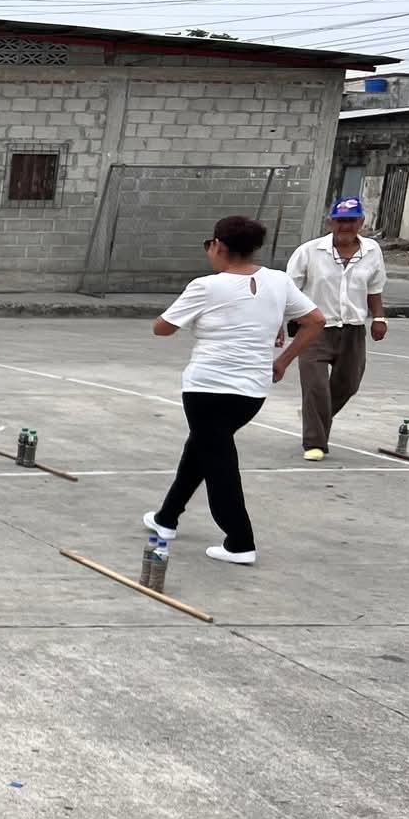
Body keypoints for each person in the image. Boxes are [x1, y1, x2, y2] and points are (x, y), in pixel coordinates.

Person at [143, 216, 326, 567]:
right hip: (251, 392)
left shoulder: (206, 286)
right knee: (200, 450)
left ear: (220, 246)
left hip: (207, 389)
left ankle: (240, 541)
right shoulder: (278, 280)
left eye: (209, 245)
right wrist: (283, 360)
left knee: (219, 463)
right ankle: (167, 518)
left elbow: (162, 328)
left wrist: (196, 317)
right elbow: (315, 320)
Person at [286, 196, 388, 460]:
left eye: (351, 220)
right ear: (330, 222)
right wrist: (284, 321)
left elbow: (374, 288)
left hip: (353, 329)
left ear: (361, 222)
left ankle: (315, 413)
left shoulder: (372, 251)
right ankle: (315, 443)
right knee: (316, 386)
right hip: (314, 329)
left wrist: (379, 318)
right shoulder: (309, 251)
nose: (345, 226)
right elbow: (288, 290)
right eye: (340, 221)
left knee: (349, 383)